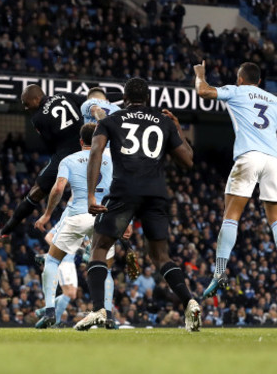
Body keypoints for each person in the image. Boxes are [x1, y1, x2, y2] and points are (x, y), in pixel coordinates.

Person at [76, 77, 202, 332]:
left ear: (124, 99)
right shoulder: (164, 121)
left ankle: (99, 308)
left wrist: (91, 195)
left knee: (99, 248)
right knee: (160, 256)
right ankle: (189, 302)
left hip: (124, 191)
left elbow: (96, 152)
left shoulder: (110, 120)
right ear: (148, 99)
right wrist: (177, 128)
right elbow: (188, 161)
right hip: (156, 193)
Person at [195, 61, 277, 301]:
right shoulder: (275, 101)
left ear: (241, 79)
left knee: (231, 215)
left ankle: (220, 272)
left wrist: (200, 75)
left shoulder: (237, 91)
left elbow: (203, 91)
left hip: (249, 156)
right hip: (274, 162)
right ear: (260, 81)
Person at [33, 123, 120, 329]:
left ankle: (49, 312)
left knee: (52, 260)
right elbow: (121, 187)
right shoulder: (112, 159)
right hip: (105, 217)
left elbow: (59, 188)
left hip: (78, 215)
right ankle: (107, 315)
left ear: (80, 141)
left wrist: (46, 215)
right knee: (105, 268)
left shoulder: (69, 160)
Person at [0, 84, 85, 239]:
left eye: (27, 104)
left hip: (65, 153)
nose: (26, 108)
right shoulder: (65, 95)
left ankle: (5, 230)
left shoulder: (37, 118)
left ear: (37, 98)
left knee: (36, 192)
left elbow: (50, 144)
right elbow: (89, 101)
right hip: (89, 147)